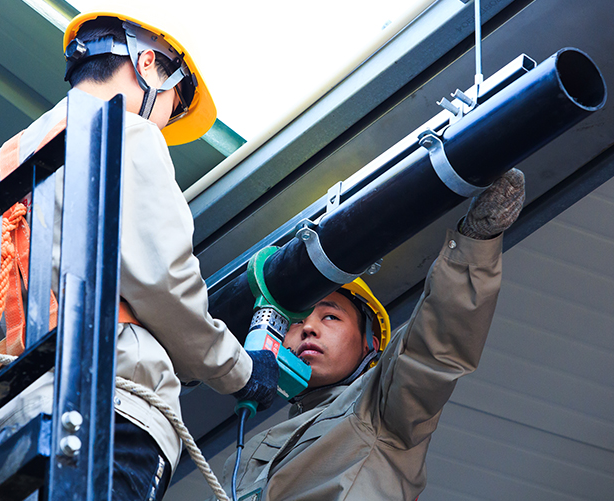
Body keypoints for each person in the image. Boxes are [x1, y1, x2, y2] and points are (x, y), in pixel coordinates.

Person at [0, 12, 278, 501]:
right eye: (171, 108)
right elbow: (165, 282)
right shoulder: (126, 132)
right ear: (148, 64)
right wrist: (239, 371)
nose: (163, 123)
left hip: (7, 424)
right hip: (110, 412)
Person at [221, 169, 525, 500]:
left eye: (331, 316)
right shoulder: (250, 451)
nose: (308, 327)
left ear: (371, 342)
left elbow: (434, 348)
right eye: (295, 323)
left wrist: (475, 243)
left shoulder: (382, 408)